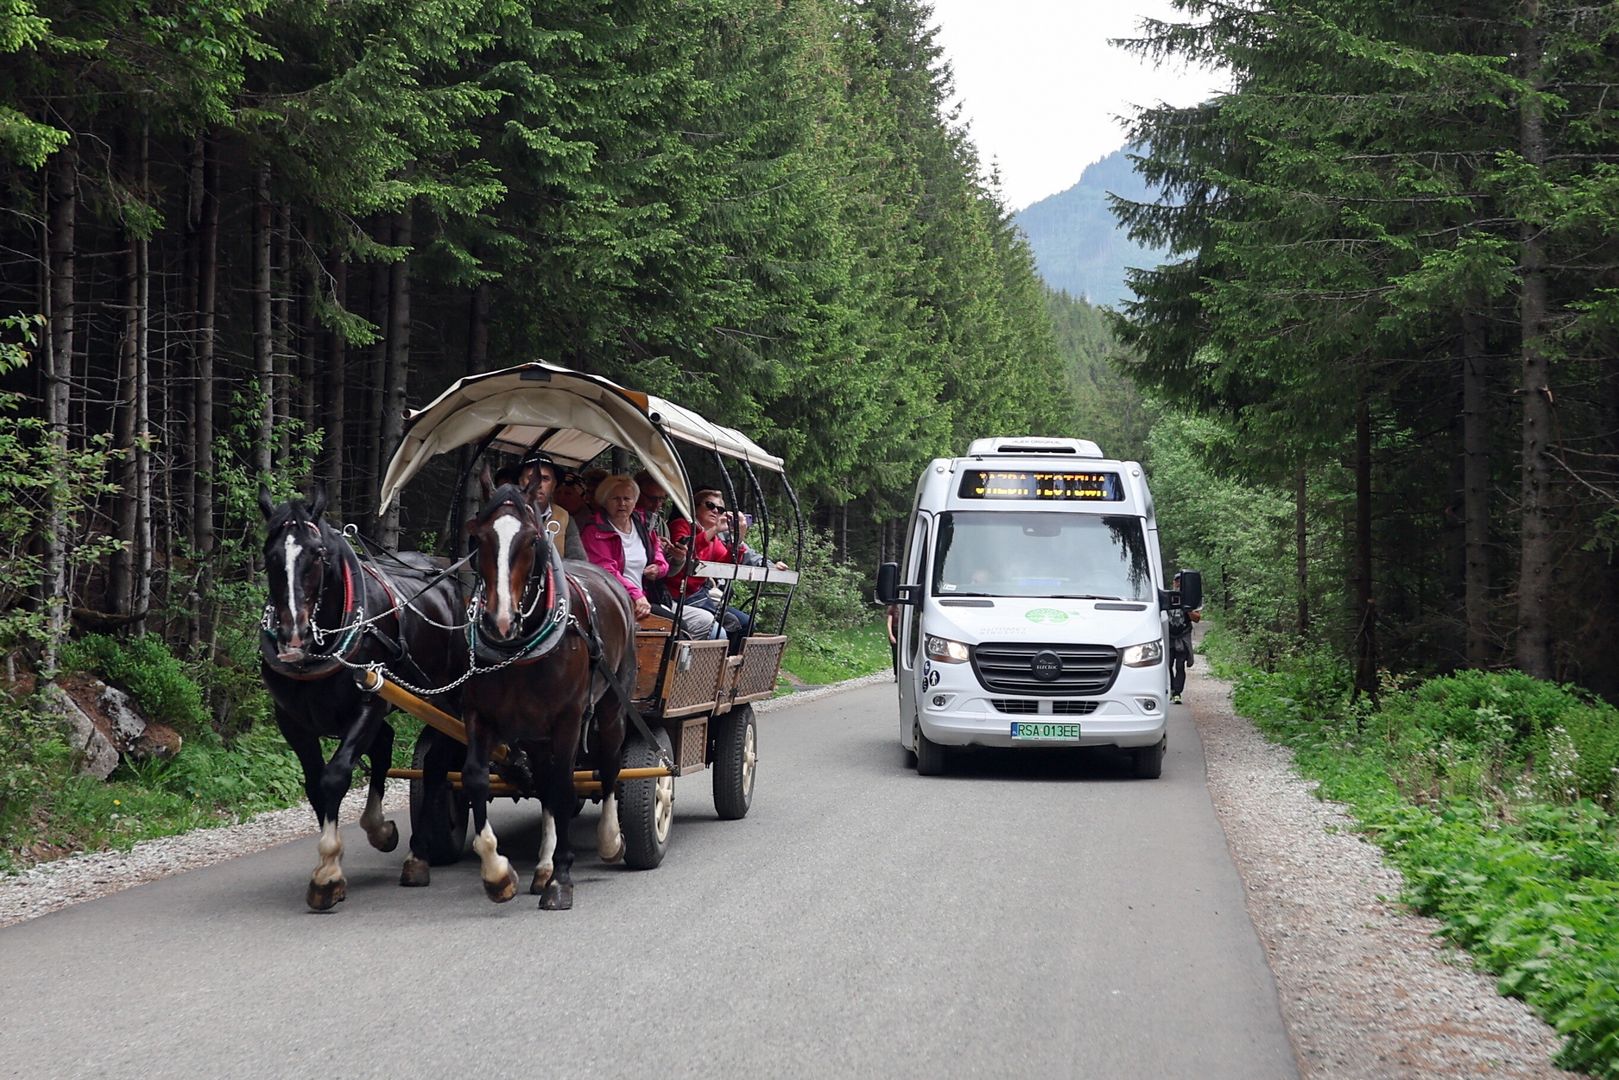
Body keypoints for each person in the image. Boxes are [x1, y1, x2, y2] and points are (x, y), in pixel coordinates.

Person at [581, 474, 719, 639]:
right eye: (615, 498)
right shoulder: (595, 530)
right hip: (615, 599)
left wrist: (659, 568)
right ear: (604, 500)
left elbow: (657, 553)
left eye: (627, 498)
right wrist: (636, 595)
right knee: (677, 630)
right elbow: (606, 571)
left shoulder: (642, 523)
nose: (622, 504)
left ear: (634, 501)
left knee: (701, 626)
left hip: (648, 596)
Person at [668, 487, 787, 650]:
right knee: (721, 631)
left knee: (746, 623)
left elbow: (727, 563)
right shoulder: (681, 525)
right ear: (695, 508)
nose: (715, 511)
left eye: (720, 509)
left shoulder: (713, 539)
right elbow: (686, 549)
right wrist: (715, 529)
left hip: (698, 597)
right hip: (677, 595)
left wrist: (739, 538)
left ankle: (728, 669)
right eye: (710, 505)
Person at [514, 451, 585, 561]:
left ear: (554, 485)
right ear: (520, 482)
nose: (538, 484)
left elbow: (579, 561)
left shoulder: (564, 518)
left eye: (545, 478)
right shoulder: (506, 515)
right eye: (531, 478)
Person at [1167, 572, 1202, 704]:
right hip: (1169, 635)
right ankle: (1170, 689)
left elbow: (1197, 618)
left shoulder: (1191, 597)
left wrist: (1187, 609)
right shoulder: (1167, 596)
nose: (1178, 584)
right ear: (1173, 583)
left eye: (1181, 581)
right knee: (1167, 664)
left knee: (1180, 665)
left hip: (1183, 636)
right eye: (1176, 581)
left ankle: (1177, 693)